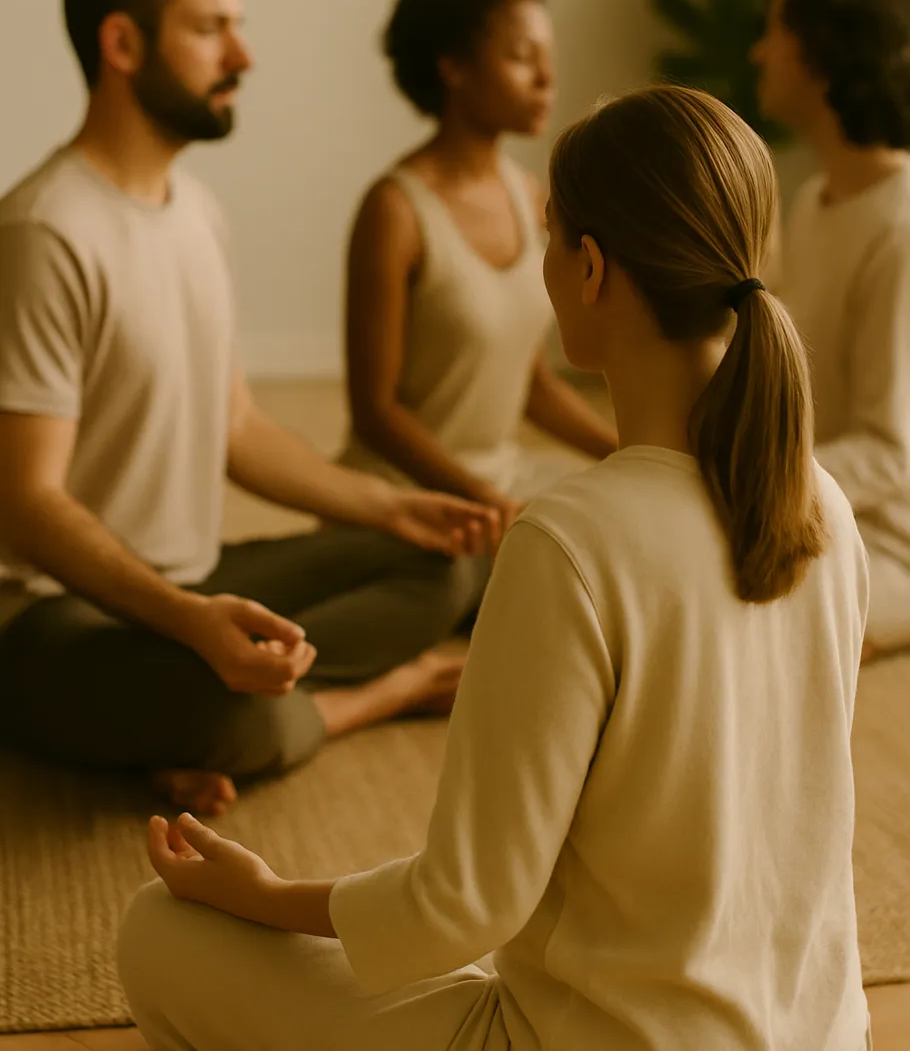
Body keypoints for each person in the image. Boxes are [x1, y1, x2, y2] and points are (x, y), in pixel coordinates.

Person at [118, 86, 871, 1051]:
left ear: (590, 268)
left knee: (160, 928)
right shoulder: (823, 506)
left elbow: (465, 906)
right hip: (821, 1035)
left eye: (551, 237)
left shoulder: (571, 537)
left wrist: (264, 896)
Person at [0, 0, 499, 818]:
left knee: (442, 565)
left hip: (191, 577)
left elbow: (238, 430)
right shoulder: (44, 232)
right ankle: (377, 693)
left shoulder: (198, 211)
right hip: (49, 616)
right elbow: (27, 508)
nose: (245, 54)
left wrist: (391, 505)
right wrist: (188, 622)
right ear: (122, 43)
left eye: (239, 24)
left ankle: (202, 707)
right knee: (241, 716)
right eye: (210, 29)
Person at [339, 0, 616, 559]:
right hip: (409, 494)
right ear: (454, 67)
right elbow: (374, 413)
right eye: (521, 56)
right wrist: (484, 502)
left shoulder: (534, 199)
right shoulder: (393, 211)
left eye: (549, 56)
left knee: (627, 527)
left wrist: (627, 452)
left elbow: (533, 384)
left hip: (503, 480)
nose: (546, 78)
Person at [752, 0, 910, 666]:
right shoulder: (815, 203)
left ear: (822, 50)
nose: (758, 51)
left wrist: (753, 476)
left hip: (884, 540)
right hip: (802, 504)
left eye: (774, 32)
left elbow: (891, 450)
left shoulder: (901, 227)